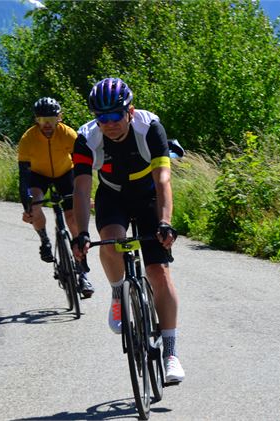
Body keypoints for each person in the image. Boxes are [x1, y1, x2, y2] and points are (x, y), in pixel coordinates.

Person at [71, 78, 185, 383]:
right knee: (111, 243)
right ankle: (119, 293)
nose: (108, 124)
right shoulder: (86, 138)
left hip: (148, 195)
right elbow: (82, 190)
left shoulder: (150, 128)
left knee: (158, 271)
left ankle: (171, 353)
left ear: (130, 111)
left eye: (115, 116)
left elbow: (163, 180)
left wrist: (165, 222)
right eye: (101, 118)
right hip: (113, 195)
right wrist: (81, 233)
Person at [18, 97, 94, 298]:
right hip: (38, 175)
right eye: (43, 120)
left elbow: (83, 168)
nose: (47, 125)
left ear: (59, 117)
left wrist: (86, 196)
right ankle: (44, 240)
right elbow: (23, 177)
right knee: (35, 204)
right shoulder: (28, 139)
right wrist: (27, 205)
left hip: (65, 174)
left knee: (72, 218)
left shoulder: (69, 134)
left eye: (51, 119)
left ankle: (82, 271)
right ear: (36, 120)